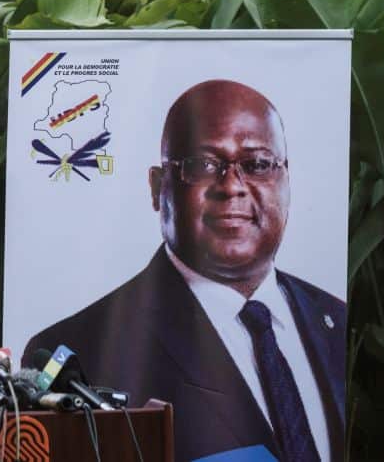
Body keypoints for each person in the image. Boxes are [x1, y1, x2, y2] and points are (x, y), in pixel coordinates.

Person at [23, 80, 345, 462]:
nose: (233, 187)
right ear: (159, 187)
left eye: (257, 164)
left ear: (286, 179)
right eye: (203, 166)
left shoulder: (338, 321)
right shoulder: (78, 354)